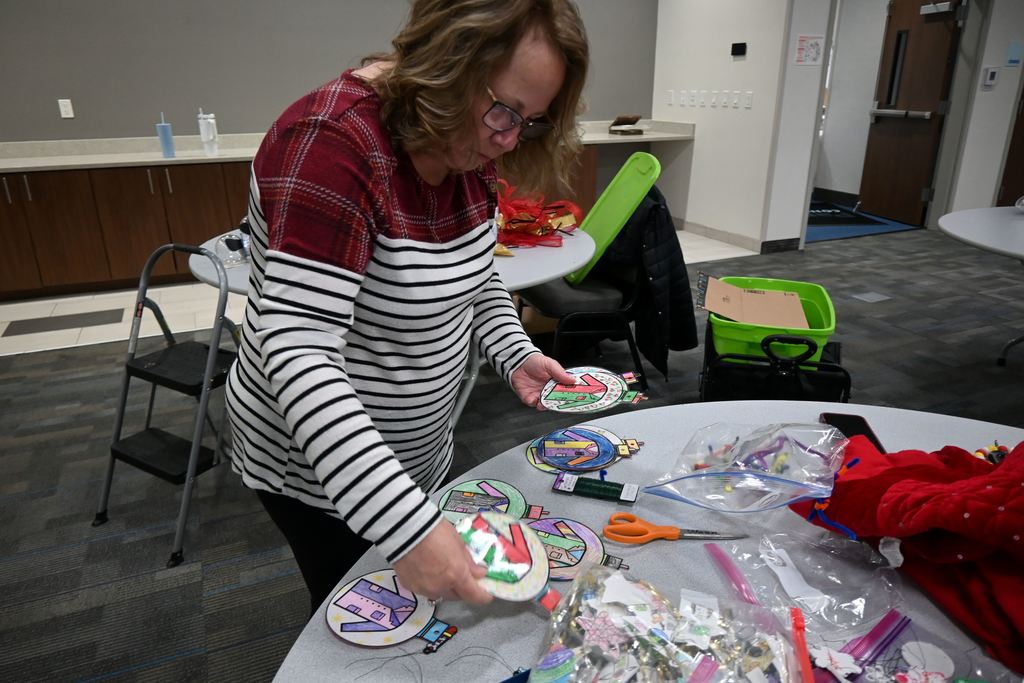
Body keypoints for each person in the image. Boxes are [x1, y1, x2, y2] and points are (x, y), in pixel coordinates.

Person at [224, 0, 590, 613]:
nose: (507, 139)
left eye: (528, 122)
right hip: (322, 471)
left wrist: (513, 351)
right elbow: (297, 348)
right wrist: (409, 527)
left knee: (424, 622)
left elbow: (474, 279)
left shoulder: (468, 144)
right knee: (362, 627)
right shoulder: (331, 144)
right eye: (503, 111)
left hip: (415, 453)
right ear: (448, 64)